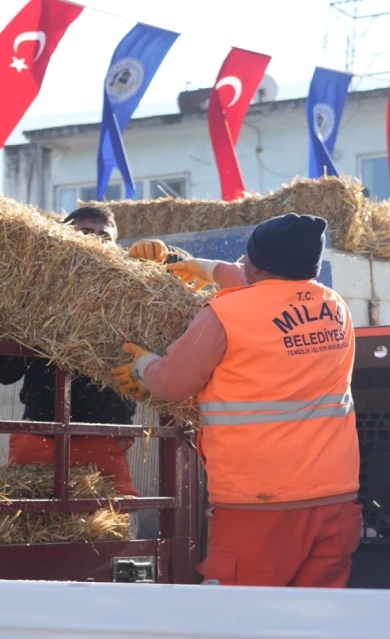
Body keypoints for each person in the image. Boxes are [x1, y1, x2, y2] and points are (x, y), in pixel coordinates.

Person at [111, 213, 362, 588]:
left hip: (258, 503)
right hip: (336, 499)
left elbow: (172, 383)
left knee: (243, 619)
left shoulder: (226, 315)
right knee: (317, 620)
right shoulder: (334, 307)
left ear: (256, 264)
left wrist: (143, 364)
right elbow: (275, 295)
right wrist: (209, 269)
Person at [0, 205, 189, 496]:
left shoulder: (132, 288)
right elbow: (7, 373)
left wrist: (168, 253)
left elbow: (188, 279)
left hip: (105, 433)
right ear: (62, 236)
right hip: (40, 432)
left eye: (105, 236)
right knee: (26, 520)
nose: (95, 240)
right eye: (86, 232)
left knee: (109, 523)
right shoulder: (37, 290)